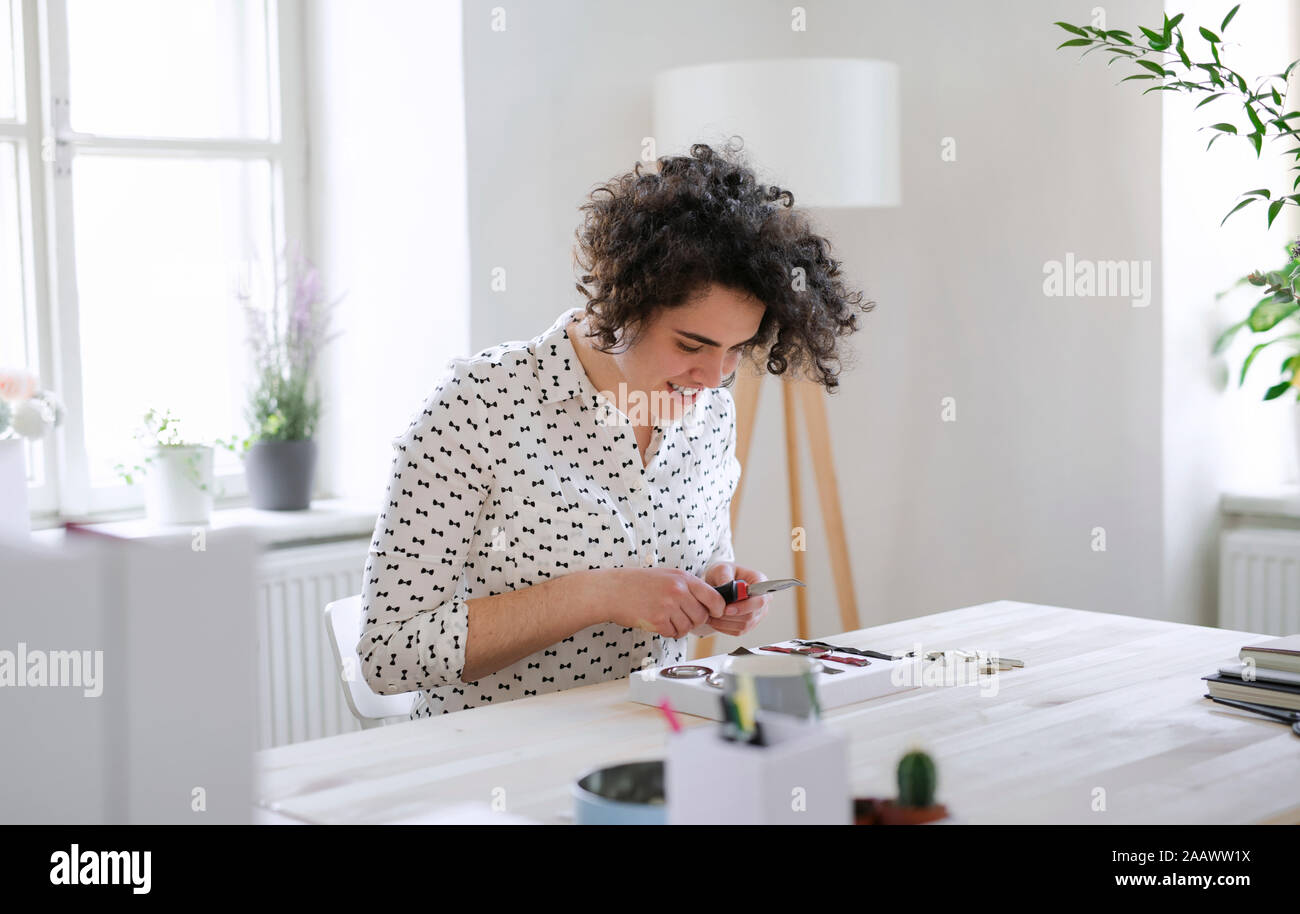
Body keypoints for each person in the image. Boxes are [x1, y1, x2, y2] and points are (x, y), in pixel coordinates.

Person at [358, 140, 871, 717]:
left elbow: (699, 563)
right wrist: (598, 594)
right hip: (497, 763)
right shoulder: (476, 408)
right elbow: (387, 656)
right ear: (620, 305)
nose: (714, 376)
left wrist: (721, 588)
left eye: (737, 349)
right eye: (691, 344)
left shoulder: (710, 413)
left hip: (656, 737)